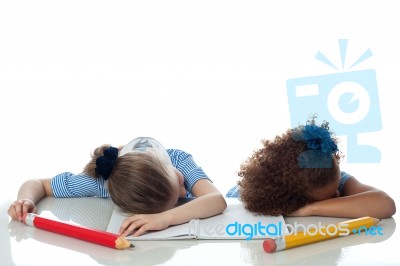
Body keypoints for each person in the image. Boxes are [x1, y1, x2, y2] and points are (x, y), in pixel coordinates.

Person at [8, 137, 227, 237]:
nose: (184, 191)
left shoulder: (177, 160)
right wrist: (26, 199)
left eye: (179, 182)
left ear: (162, 159)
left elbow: (217, 200)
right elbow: (38, 184)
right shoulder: (101, 183)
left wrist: (164, 218)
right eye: (181, 187)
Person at [226, 117, 396, 219]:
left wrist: (311, 208)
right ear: (290, 198)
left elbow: (385, 203)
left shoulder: (328, 176)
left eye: (335, 192)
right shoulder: (248, 197)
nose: (338, 195)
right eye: (329, 197)